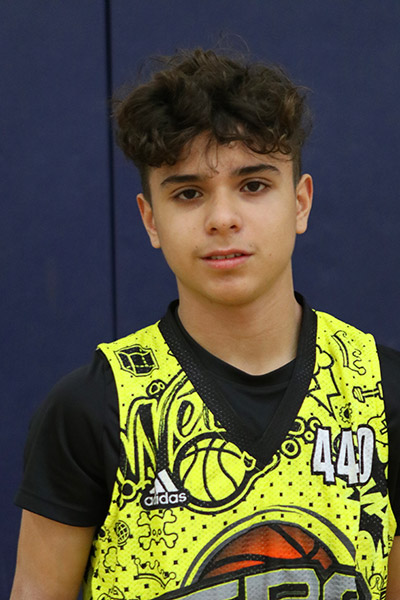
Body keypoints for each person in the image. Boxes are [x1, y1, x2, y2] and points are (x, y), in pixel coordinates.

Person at [11, 48, 400, 600]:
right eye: (189, 193)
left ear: (300, 203)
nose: (222, 218)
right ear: (151, 219)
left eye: (253, 185)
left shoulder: (381, 392)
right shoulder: (94, 409)